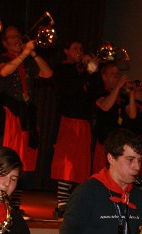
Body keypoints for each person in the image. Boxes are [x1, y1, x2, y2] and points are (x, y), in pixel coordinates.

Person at [0, 26, 53, 191]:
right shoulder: (1, 59)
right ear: (5, 43)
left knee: (24, 159)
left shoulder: (28, 62)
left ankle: (15, 203)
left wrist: (32, 53)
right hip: (10, 115)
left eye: (18, 35)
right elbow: (5, 71)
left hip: (27, 116)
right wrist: (25, 53)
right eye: (12, 37)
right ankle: (2, 197)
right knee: (8, 157)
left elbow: (48, 73)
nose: (17, 39)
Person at [50, 40, 92, 218]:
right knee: (65, 163)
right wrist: (87, 72)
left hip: (84, 122)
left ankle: (76, 204)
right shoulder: (63, 69)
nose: (80, 51)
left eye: (81, 48)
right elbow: (70, 89)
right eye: (75, 48)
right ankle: (62, 204)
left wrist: (91, 71)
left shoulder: (84, 72)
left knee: (81, 165)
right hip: (68, 120)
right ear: (66, 51)